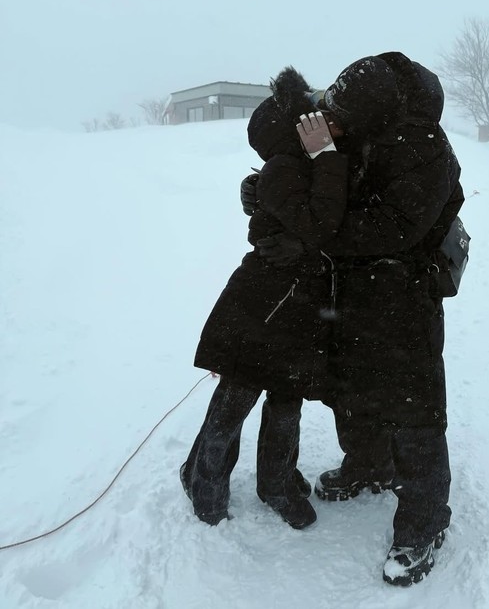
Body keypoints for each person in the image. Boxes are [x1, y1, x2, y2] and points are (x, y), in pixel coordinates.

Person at [256, 52, 464, 586]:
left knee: (414, 408)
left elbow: (396, 227)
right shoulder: (353, 130)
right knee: (349, 386)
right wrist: (264, 192)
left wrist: (316, 233)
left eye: (345, 116)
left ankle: (424, 520)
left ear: (377, 113)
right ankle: (368, 464)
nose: (336, 124)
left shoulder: (425, 148)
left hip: (404, 293)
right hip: (347, 287)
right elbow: (313, 180)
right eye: (334, 112)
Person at [181, 66, 348, 530]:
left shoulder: (305, 164)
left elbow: (323, 224)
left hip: (296, 304)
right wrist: (328, 156)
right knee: (236, 396)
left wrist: (327, 159)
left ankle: (274, 481)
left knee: (287, 398)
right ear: (294, 131)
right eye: (311, 117)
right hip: (264, 303)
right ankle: (203, 482)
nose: (322, 120)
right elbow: (320, 225)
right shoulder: (283, 170)